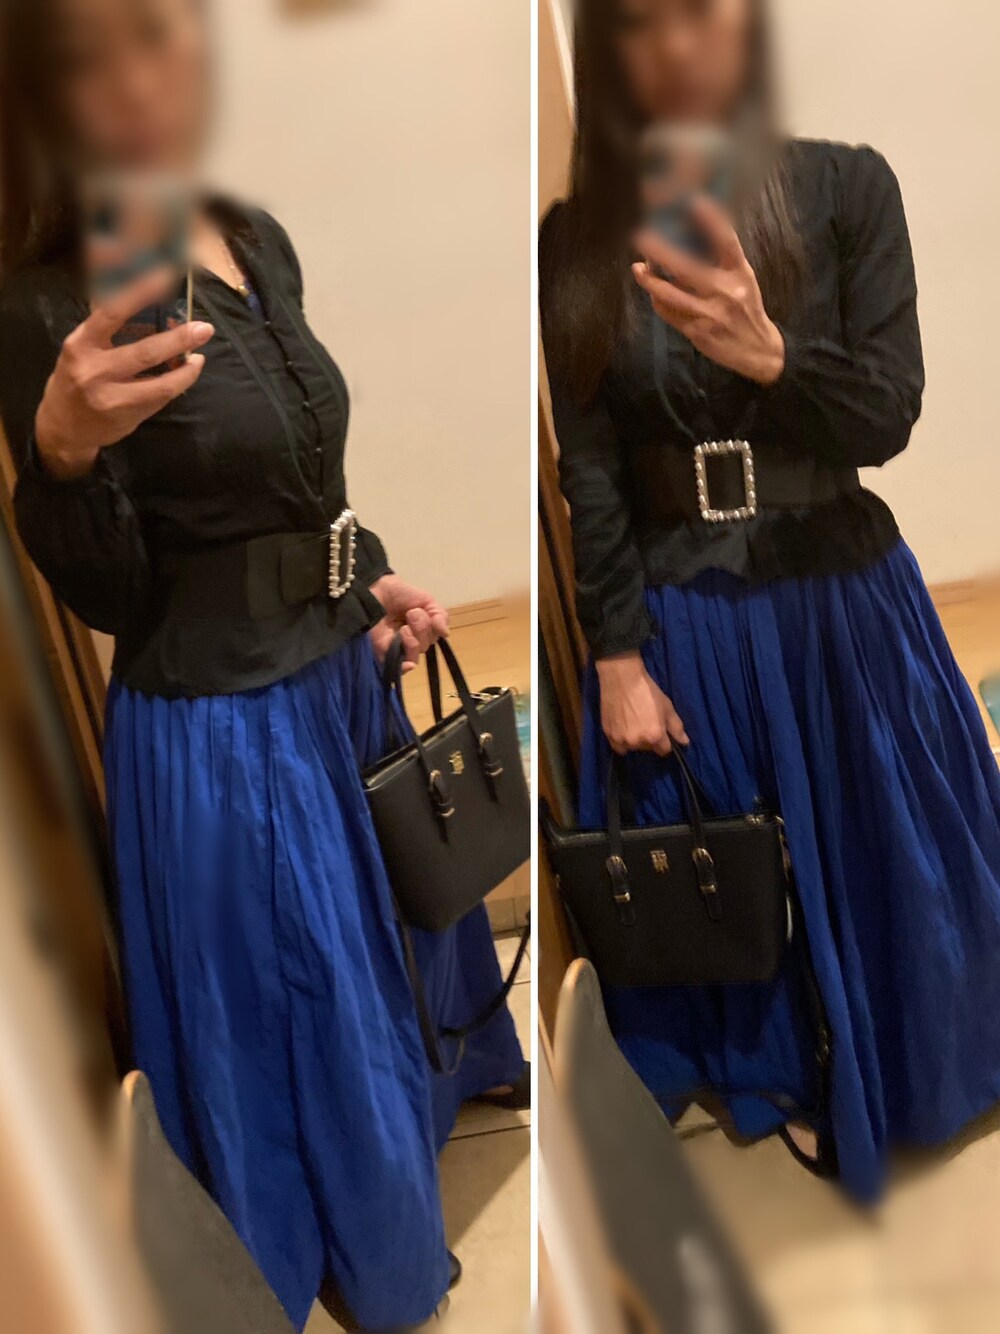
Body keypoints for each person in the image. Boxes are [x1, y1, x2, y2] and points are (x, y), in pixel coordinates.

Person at [0, 1, 524, 1329]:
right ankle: (362, 1248)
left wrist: (370, 574)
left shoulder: (249, 233)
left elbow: (302, 473)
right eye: (89, 56)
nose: (138, 77)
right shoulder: (42, 302)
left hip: (338, 676)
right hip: (225, 726)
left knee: (380, 951)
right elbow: (114, 591)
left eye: (157, 31)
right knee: (308, 1000)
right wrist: (56, 457)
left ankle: (403, 1152)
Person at [539, 0, 1000, 1204]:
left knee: (889, 842)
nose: (676, 44)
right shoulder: (574, 238)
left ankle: (933, 1039)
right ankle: (793, 1068)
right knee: (744, 864)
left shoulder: (846, 187)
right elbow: (590, 470)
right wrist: (617, 656)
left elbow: (887, 412)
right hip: (687, 609)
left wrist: (773, 356)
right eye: (639, 22)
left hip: (839, 594)